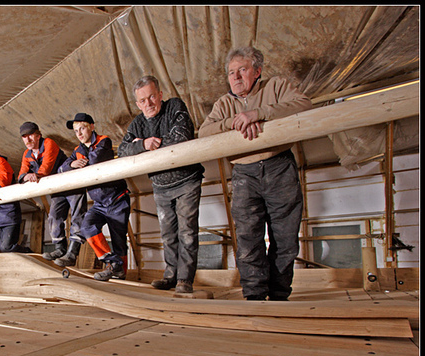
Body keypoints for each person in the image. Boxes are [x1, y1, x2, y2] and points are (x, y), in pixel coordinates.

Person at [198, 46, 312, 301]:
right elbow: (204, 133)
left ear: (257, 71)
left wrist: (259, 114)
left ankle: (280, 296)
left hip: (279, 166)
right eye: (231, 73)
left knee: (285, 239)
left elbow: (304, 105)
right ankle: (255, 298)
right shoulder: (224, 103)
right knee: (249, 240)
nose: (236, 77)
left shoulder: (276, 87)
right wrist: (236, 121)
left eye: (242, 70)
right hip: (244, 174)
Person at [117, 75, 204, 294]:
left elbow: (182, 135)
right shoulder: (138, 123)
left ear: (160, 95)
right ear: (138, 104)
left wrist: (151, 143)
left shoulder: (175, 106)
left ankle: (185, 279)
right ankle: (171, 275)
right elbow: (122, 151)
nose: (148, 103)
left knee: (187, 232)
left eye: (152, 97)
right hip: (160, 186)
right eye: (143, 100)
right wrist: (143, 144)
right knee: (167, 233)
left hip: (187, 181)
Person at [57, 113, 130, 281]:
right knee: (87, 226)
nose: (79, 134)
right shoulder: (78, 150)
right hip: (99, 203)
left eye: (82, 128)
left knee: (119, 240)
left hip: (117, 199)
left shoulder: (104, 141)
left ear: (92, 126)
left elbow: (96, 160)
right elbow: (62, 168)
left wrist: (78, 164)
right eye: (76, 131)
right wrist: (71, 164)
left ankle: (120, 273)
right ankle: (113, 263)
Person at [17, 121, 87, 263]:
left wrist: (34, 175)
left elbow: (45, 170)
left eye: (31, 136)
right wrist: (26, 176)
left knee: (77, 215)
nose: (28, 140)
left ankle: (73, 253)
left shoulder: (49, 143)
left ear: (38, 136)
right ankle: (60, 248)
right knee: (54, 217)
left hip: (71, 182)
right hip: (57, 188)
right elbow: (21, 175)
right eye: (24, 137)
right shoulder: (27, 154)